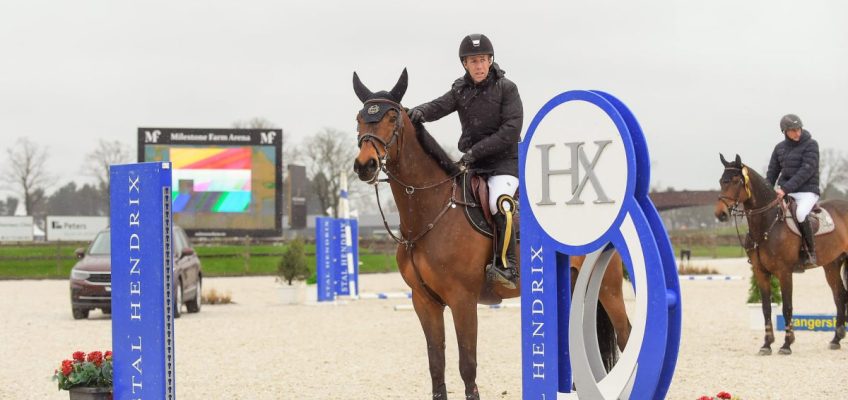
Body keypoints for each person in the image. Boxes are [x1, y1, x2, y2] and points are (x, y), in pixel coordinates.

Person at [408, 33, 523, 289]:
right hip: (475, 165)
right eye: (473, 61)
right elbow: (438, 106)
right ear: (465, 64)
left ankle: (507, 266)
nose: (479, 66)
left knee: (500, 204)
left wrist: (475, 152)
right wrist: (416, 113)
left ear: (491, 60)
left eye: (482, 60)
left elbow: (510, 130)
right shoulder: (460, 90)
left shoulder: (507, 88)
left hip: (504, 164)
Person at [766, 113, 820, 272]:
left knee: (801, 214)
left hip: (807, 191)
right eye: (793, 130)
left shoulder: (811, 144)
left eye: (799, 129)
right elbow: (772, 172)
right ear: (784, 132)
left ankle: (810, 253)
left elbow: (806, 171)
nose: (797, 133)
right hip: (786, 192)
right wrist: (767, 190)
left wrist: (784, 189)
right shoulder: (779, 148)